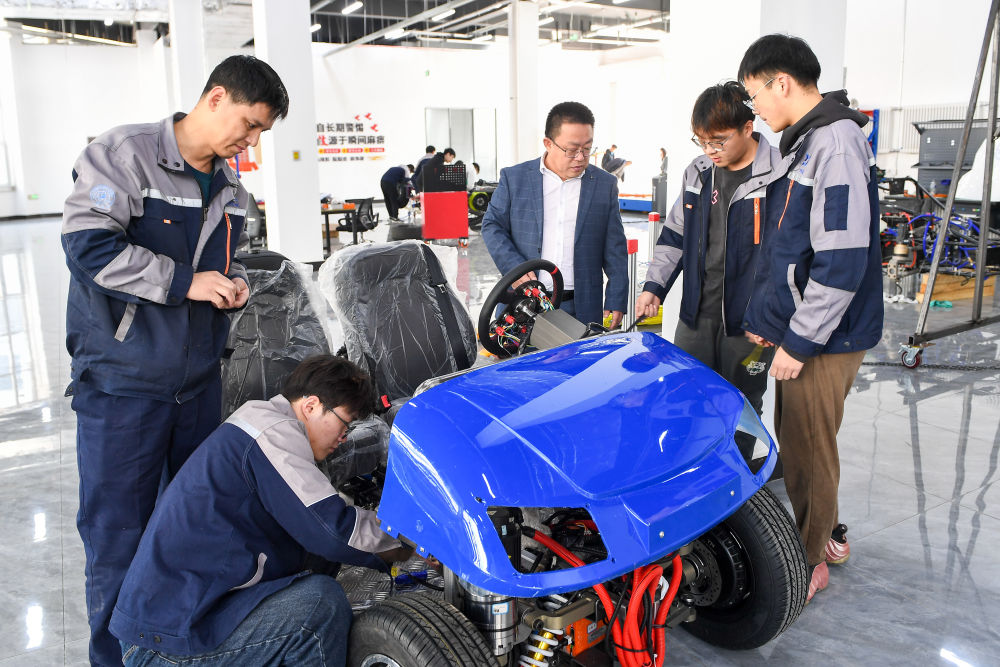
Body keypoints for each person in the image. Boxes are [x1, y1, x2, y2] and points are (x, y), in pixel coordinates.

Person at [61, 54, 289, 666]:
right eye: (249, 124)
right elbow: (88, 246)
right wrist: (186, 282)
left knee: (188, 529)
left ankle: (172, 653)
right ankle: (115, 659)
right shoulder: (124, 156)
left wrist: (235, 284)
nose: (251, 140)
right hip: (124, 388)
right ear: (215, 98)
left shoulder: (232, 189)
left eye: (262, 132)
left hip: (197, 387)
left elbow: (230, 262)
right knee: (118, 538)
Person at [110, 355, 413, 665]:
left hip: (176, 623)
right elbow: (332, 529)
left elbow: (320, 515)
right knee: (320, 606)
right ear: (311, 406)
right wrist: (410, 543)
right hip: (163, 643)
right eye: (344, 423)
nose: (343, 437)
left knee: (317, 566)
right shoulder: (272, 434)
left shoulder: (261, 423)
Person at [738, 34, 883, 602]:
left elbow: (841, 260)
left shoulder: (835, 143)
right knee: (802, 443)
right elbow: (791, 246)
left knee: (809, 449)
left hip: (827, 335)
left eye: (754, 95)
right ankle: (824, 536)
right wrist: (774, 321)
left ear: (781, 82)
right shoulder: (807, 142)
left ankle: (807, 559)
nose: (755, 109)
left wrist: (798, 341)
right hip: (811, 329)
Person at [636, 82, 783, 430]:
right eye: (701, 141)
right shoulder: (699, 172)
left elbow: (789, 254)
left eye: (718, 141)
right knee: (685, 396)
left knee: (741, 406)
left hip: (750, 321)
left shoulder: (780, 173)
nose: (709, 150)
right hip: (696, 315)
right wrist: (654, 286)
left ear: (748, 127)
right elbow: (675, 235)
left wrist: (771, 315)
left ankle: (738, 465)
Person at [481, 101, 628, 327]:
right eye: (572, 149)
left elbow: (615, 247)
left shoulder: (604, 185)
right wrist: (515, 269)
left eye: (587, 148)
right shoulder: (515, 178)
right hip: (522, 302)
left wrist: (617, 297)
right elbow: (492, 225)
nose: (580, 157)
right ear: (548, 143)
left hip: (580, 306)